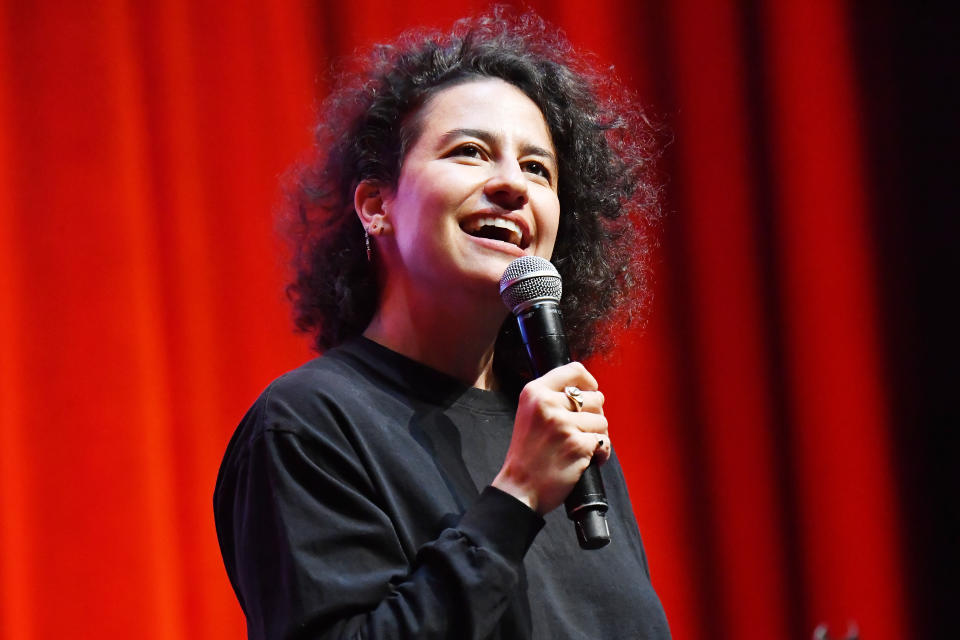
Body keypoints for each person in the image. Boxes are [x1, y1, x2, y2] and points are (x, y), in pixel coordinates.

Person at [214, 8, 670, 640]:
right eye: (470, 152)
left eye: (538, 168)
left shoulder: (559, 430)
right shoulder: (309, 425)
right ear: (378, 206)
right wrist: (516, 498)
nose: (511, 183)